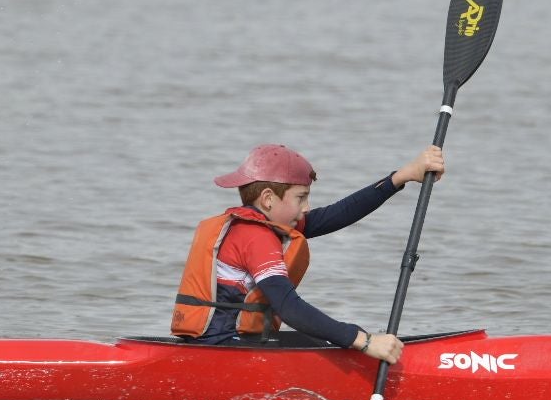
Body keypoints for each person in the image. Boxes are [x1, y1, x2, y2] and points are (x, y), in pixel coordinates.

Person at [171, 142, 445, 364]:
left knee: (336, 337)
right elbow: (289, 308)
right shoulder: (255, 237)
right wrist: (366, 342)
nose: (306, 207)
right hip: (224, 351)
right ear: (268, 199)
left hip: (227, 345)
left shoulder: (264, 223)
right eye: (301, 197)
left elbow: (338, 214)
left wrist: (401, 177)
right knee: (348, 339)